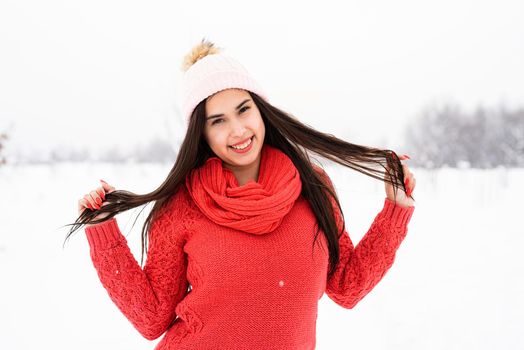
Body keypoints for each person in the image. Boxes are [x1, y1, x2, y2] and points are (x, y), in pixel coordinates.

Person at [67, 38, 416, 349]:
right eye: (217, 120)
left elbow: (346, 286)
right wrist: (103, 233)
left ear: (260, 109)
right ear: (200, 134)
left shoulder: (313, 187)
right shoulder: (182, 205)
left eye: (243, 109)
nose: (237, 130)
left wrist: (395, 210)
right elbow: (152, 319)